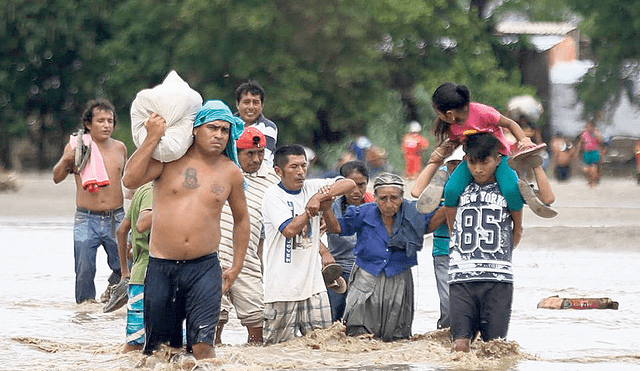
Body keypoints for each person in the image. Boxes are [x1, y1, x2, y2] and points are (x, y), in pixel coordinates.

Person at [122, 100, 250, 360]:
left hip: (204, 269)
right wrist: (152, 137)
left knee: (203, 348)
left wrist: (236, 266)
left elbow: (241, 219)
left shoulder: (230, 172)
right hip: (161, 267)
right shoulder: (168, 160)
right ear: (195, 129)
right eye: (212, 128)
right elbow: (129, 179)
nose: (219, 135)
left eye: (225, 130)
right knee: (162, 351)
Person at [411, 82, 545, 238]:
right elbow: (455, 141)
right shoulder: (453, 126)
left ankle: (517, 228)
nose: (439, 118)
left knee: (510, 190)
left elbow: (509, 123)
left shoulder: (483, 112)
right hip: (472, 161)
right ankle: (453, 229)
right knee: (451, 190)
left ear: (448, 113)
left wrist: (523, 140)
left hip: (498, 158)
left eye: (438, 114)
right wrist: (441, 153)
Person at [323, 173, 438, 341]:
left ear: (402, 198)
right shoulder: (363, 212)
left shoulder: (413, 211)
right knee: (357, 332)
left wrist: (450, 201)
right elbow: (337, 228)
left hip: (399, 277)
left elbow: (432, 222)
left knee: (397, 335)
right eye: (383, 198)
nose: (389, 204)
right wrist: (326, 208)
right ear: (375, 197)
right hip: (366, 276)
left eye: (394, 198)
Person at [261, 144, 357, 345]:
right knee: (277, 350)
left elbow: (349, 183)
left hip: (314, 286)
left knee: (323, 345)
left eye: (304, 166)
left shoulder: (313, 187)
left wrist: (319, 197)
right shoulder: (273, 195)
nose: (301, 172)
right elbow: (289, 231)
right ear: (279, 171)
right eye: (294, 167)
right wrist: (309, 211)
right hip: (282, 288)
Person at [447, 132, 519, 352]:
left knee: (494, 348)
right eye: (472, 163)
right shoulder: (459, 189)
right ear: (466, 161)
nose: (478, 169)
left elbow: (518, 227)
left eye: (484, 162)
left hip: (498, 279)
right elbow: (451, 222)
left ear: (497, 160)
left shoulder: (508, 188)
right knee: (460, 345)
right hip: (461, 277)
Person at [52, 98, 127, 304]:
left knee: (125, 264)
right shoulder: (78, 147)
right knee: (84, 269)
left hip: (116, 216)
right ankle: (85, 311)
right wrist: (67, 158)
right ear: (88, 124)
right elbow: (57, 177)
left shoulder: (120, 148)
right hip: (86, 217)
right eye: (101, 120)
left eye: (110, 121)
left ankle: (113, 291)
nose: (106, 125)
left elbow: (129, 180)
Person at [215, 127, 280, 346]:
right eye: (249, 153)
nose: (256, 158)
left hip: (247, 260)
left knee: (257, 324)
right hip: (212, 257)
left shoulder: (272, 179)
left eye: (260, 152)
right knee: (213, 324)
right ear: (236, 151)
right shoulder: (220, 170)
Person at [324, 161, 375, 322]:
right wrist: (324, 253)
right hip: (339, 273)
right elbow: (308, 236)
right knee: (333, 322)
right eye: (350, 186)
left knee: (364, 323)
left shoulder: (376, 206)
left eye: (361, 185)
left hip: (368, 272)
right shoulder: (330, 208)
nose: (356, 191)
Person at [429, 146, 465, 330]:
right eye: (452, 164)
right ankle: (445, 333)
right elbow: (424, 206)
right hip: (443, 248)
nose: (455, 168)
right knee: (448, 303)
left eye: (459, 163)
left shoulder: (476, 179)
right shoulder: (440, 178)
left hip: (469, 251)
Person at [116, 182, 153, 352]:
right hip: (154, 275)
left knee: (135, 341)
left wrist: (125, 271)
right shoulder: (153, 193)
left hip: (137, 276)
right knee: (172, 345)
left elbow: (121, 231)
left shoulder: (141, 191)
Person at [235, 81, 278, 167]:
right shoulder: (227, 125)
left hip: (260, 176)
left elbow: (260, 160)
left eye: (255, 103)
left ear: (262, 105)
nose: (251, 107)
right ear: (237, 104)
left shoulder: (268, 128)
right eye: (246, 102)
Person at [576, 121, 603, 188]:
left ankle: (593, 182)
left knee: (594, 167)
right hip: (587, 152)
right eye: (588, 127)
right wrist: (577, 151)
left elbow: (601, 142)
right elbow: (580, 142)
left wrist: (596, 135)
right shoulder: (584, 134)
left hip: (594, 151)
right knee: (586, 169)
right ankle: (590, 179)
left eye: (590, 127)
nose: (589, 128)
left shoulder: (596, 133)